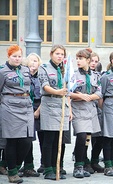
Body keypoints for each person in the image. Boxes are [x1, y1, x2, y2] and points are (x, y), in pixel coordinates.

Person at [0, 45, 34, 183]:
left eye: (19, 56)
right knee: (12, 141)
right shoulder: (3, 72)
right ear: (9, 56)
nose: (17, 59)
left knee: (26, 141)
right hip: (10, 106)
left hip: (26, 106)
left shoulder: (26, 70)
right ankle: (12, 172)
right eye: (14, 56)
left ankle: (16, 165)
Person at [38, 45, 72, 180]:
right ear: (51, 54)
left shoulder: (64, 70)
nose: (60, 56)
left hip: (61, 105)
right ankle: (48, 169)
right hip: (50, 103)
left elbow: (69, 87)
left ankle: (57, 166)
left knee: (60, 139)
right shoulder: (44, 68)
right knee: (49, 138)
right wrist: (58, 92)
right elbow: (45, 86)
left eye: (62, 54)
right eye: (57, 53)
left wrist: (69, 108)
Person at [70, 49, 102, 178]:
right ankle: (77, 166)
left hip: (91, 109)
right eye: (77, 58)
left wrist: (90, 96)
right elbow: (68, 92)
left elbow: (99, 91)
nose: (78, 61)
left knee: (87, 138)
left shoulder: (95, 75)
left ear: (88, 60)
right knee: (81, 136)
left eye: (81, 58)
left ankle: (84, 163)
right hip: (78, 108)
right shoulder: (74, 75)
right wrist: (82, 96)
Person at [18, 53, 43, 177]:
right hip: (26, 107)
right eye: (31, 61)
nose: (34, 63)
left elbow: (45, 95)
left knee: (43, 137)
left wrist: (38, 111)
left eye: (36, 61)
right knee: (28, 138)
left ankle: (45, 164)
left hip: (41, 107)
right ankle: (28, 165)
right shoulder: (23, 76)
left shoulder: (41, 76)